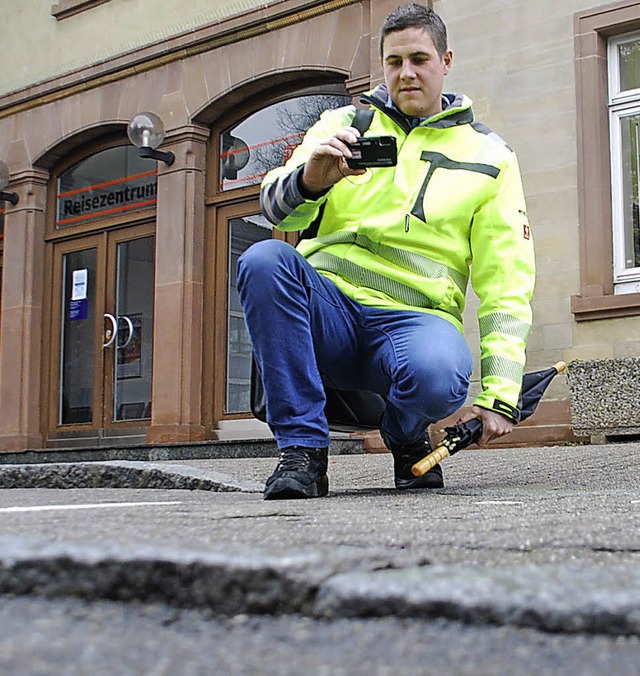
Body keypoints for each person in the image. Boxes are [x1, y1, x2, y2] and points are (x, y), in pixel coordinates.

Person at [237, 3, 535, 500]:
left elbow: (506, 280)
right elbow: (273, 209)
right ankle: (303, 453)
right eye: (394, 62)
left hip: (413, 324)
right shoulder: (343, 122)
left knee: (439, 373)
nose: (407, 73)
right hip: (329, 313)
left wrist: (500, 396)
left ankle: (405, 434)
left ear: (446, 60)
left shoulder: (491, 157)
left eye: (419, 59)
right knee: (264, 261)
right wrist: (312, 179)